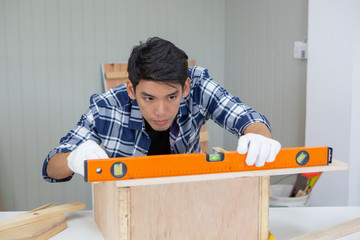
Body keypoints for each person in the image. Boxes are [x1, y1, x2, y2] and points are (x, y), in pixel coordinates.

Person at [43, 37, 281, 182]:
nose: (161, 111)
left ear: (185, 87)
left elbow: (245, 117)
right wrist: (73, 159)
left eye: (171, 96)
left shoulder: (198, 84)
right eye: (148, 98)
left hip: (186, 194)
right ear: (131, 89)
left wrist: (258, 136)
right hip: (129, 203)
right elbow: (51, 167)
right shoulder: (107, 106)